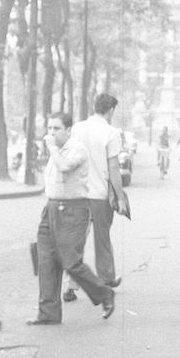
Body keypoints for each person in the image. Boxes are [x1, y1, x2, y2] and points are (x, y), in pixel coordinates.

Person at [29, 113, 115, 325]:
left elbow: (65, 167)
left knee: (70, 261)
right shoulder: (56, 151)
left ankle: (104, 294)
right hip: (51, 208)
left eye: (56, 128)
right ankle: (48, 312)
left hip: (73, 209)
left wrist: (51, 148)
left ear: (69, 130)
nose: (51, 133)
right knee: (46, 259)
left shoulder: (77, 149)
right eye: (49, 128)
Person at [68, 94, 128, 297]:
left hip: (77, 194)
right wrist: (120, 197)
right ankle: (106, 278)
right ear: (110, 110)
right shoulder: (111, 133)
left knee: (76, 241)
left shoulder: (76, 129)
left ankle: (71, 286)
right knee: (102, 238)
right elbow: (113, 168)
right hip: (99, 195)